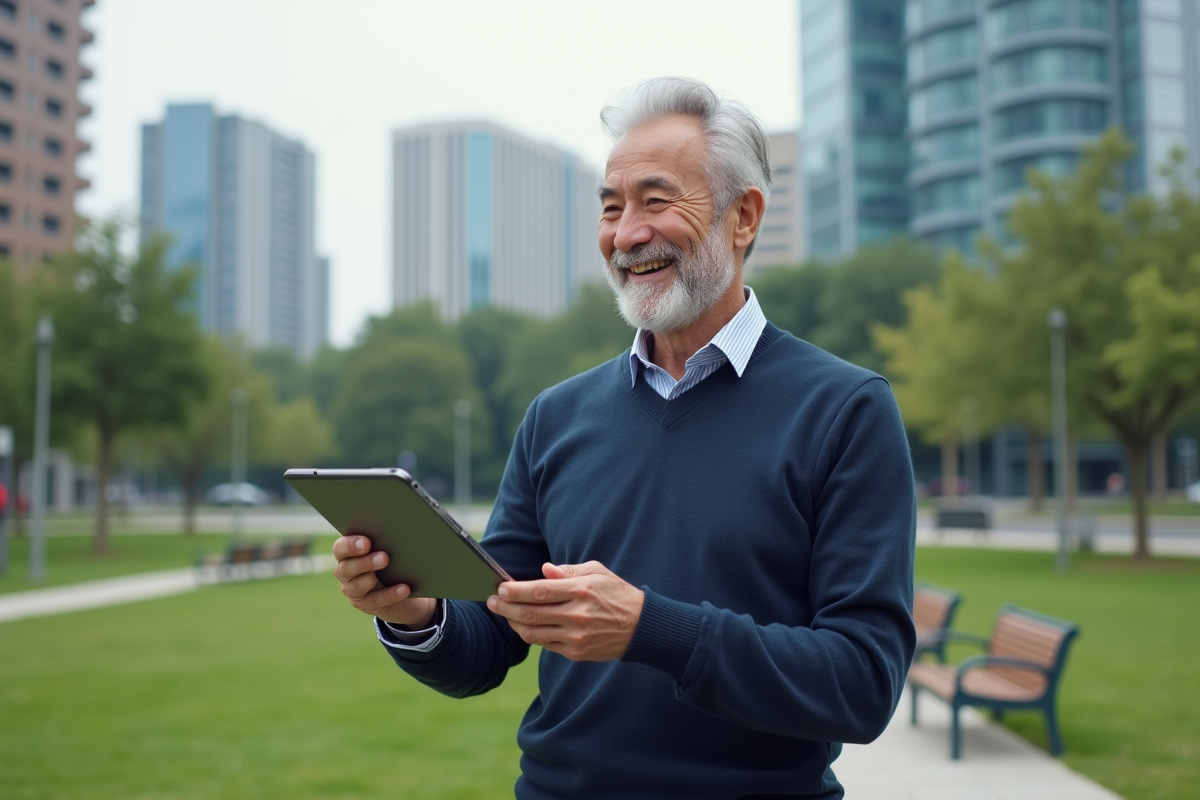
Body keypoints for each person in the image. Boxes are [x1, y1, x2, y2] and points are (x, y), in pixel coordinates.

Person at [334, 77, 916, 799]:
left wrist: (651, 629)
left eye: (655, 200)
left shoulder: (846, 409)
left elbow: (862, 685)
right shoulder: (556, 416)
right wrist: (413, 614)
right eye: (611, 208)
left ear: (744, 216)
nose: (627, 233)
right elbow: (489, 641)